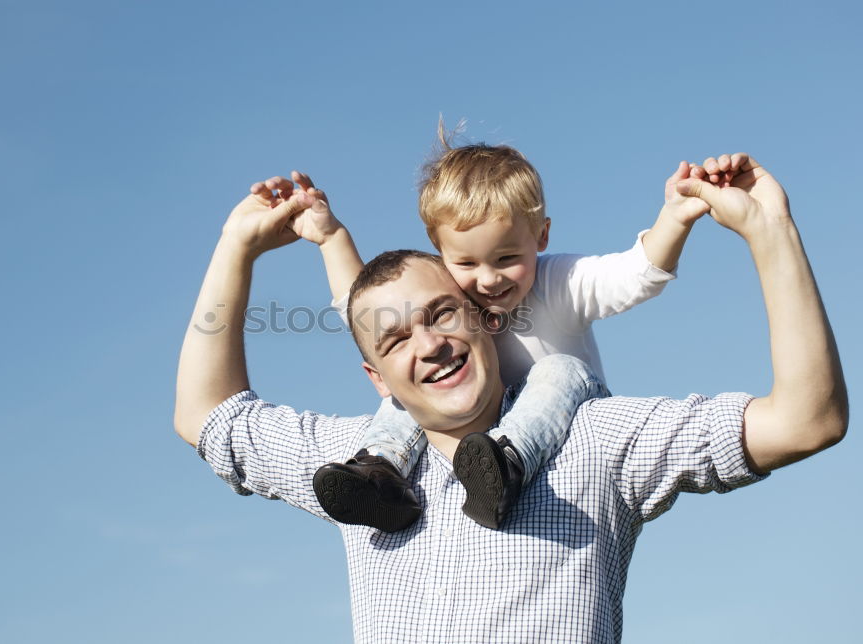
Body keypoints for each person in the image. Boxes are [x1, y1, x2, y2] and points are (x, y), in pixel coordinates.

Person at [174, 155, 847, 643]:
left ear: (483, 319)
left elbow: (806, 421)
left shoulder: (596, 443)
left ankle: (504, 462)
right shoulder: (348, 471)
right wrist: (238, 248)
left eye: (442, 315)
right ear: (376, 377)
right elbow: (207, 416)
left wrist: (769, 231)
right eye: (396, 339)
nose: (429, 344)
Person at [263, 139, 722, 531]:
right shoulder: (448, 302)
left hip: (560, 427)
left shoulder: (557, 282)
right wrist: (330, 238)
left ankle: (505, 464)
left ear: (540, 236)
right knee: (403, 388)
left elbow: (634, 276)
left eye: (506, 259)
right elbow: (366, 309)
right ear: (440, 250)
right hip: (482, 439)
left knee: (559, 369)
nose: (488, 280)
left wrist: (677, 217)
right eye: (465, 264)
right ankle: (381, 475)